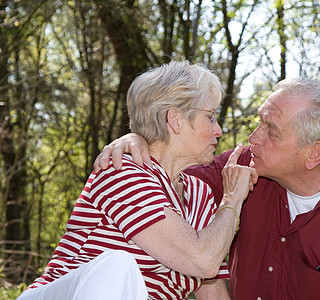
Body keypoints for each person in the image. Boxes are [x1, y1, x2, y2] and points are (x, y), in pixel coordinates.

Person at [95, 78, 320, 299]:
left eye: (271, 131)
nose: (254, 138)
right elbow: (171, 173)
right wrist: (139, 141)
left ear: (313, 154)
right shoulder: (246, 165)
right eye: (259, 121)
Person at [18, 61, 257, 300]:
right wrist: (233, 196)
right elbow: (202, 259)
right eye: (211, 117)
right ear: (176, 119)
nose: (219, 130)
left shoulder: (199, 193)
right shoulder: (121, 170)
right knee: (118, 267)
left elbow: (211, 286)